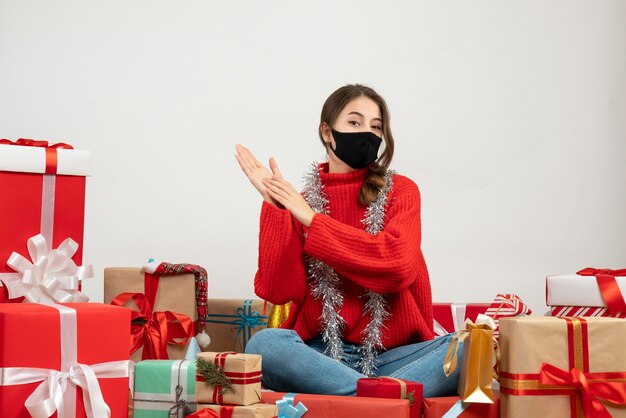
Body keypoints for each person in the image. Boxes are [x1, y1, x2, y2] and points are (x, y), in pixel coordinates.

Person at [235, 84, 460, 397]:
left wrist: (314, 223)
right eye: (355, 122)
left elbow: (397, 266)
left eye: (376, 126)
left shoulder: (401, 191)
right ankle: (382, 401)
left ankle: (360, 400)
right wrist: (276, 209)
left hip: (393, 360)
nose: (366, 132)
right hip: (320, 358)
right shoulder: (298, 204)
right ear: (327, 132)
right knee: (264, 345)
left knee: (465, 349)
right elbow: (277, 290)